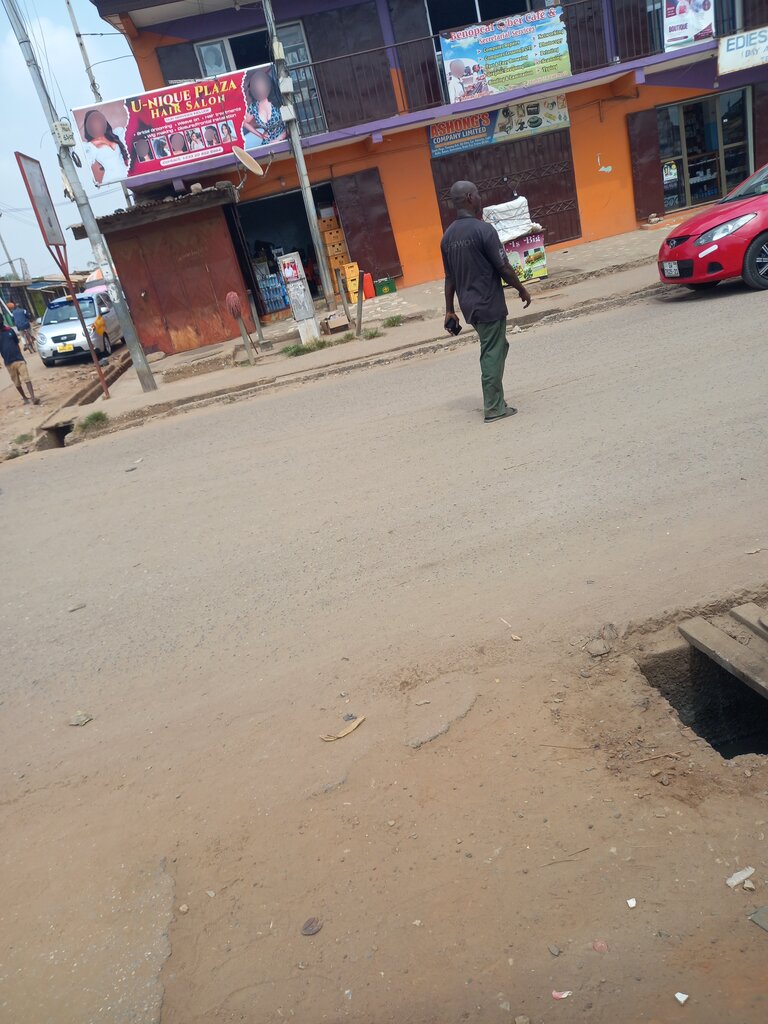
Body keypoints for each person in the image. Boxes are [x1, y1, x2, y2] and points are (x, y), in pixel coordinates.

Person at [441, 180, 531, 423]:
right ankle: (494, 408)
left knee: (499, 347)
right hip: (488, 302)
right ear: (470, 198)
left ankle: (497, 400)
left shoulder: (448, 237)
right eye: (478, 193)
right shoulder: (484, 230)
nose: (481, 197)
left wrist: (450, 310)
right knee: (492, 352)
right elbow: (503, 266)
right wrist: (521, 289)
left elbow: (450, 278)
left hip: (469, 305)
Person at [81, 109, 129, 185]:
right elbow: (84, 167)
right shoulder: (90, 146)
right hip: (111, 180)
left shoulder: (116, 134)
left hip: (127, 174)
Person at [242, 68, 287, 147]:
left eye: (262, 85)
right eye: (258, 86)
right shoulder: (254, 107)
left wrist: (279, 139)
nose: (260, 88)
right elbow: (244, 122)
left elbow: (289, 122)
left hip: (284, 138)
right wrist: (260, 135)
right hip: (268, 143)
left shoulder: (277, 100)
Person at [0, 322, 39, 405]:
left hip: (19, 359)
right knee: (16, 382)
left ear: (2, 320)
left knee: (27, 378)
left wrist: (21, 356)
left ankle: (33, 397)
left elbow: (17, 344)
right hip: (8, 362)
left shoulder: (10, 330)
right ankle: (24, 398)